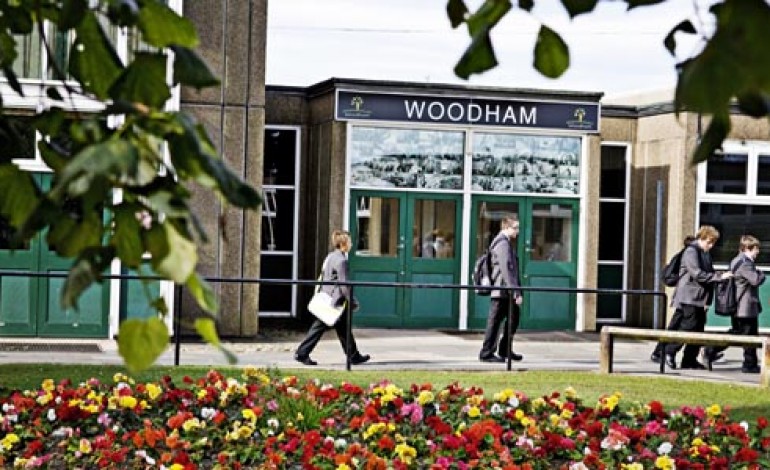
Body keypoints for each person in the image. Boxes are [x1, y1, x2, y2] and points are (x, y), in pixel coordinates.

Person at [295, 230, 371, 366]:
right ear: (343, 244)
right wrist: (352, 301)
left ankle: (353, 355)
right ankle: (302, 353)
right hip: (334, 301)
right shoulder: (342, 261)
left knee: (343, 328)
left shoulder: (331, 256)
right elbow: (344, 285)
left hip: (327, 297)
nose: (352, 244)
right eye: (350, 242)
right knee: (319, 327)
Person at [661, 225, 732, 370]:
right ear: (702, 238)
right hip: (689, 297)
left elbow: (708, 272)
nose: (711, 246)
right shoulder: (691, 252)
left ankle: (689, 359)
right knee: (688, 327)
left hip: (699, 298)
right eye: (709, 242)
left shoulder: (704, 253)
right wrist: (719, 277)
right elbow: (697, 273)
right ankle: (670, 351)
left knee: (698, 330)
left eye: (713, 243)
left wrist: (719, 275)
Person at [704, 235, 766, 373]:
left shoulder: (736, 260)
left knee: (739, 334)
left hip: (739, 306)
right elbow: (755, 280)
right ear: (748, 248)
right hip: (745, 307)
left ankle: (712, 350)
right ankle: (748, 364)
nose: (758, 252)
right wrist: (761, 274)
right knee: (748, 336)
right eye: (756, 249)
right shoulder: (745, 263)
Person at [479, 216, 524, 363]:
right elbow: (507, 268)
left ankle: (505, 350)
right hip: (502, 290)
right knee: (495, 321)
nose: (517, 231)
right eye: (515, 228)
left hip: (505, 290)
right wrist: (515, 291)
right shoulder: (502, 244)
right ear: (506, 228)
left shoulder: (505, 243)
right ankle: (487, 352)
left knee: (513, 319)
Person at [650, 235, 696, 364]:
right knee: (682, 326)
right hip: (685, 297)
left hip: (680, 296)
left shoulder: (681, 254)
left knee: (674, 326)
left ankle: (658, 352)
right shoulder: (689, 256)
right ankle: (665, 352)